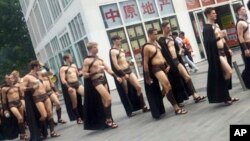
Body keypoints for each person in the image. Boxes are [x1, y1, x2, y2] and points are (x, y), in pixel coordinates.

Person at [142, 28, 188, 119]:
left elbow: (161, 55)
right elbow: (145, 63)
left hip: (163, 67)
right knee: (167, 86)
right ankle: (176, 108)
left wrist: (167, 65)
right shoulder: (147, 47)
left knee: (166, 88)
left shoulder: (157, 43)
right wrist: (147, 77)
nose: (156, 36)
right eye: (154, 34)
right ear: (150, 35)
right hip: (156, 68)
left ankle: (157, 102)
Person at [158, 22, 206, 104]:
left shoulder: (172, 38)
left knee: (187, 77)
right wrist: (167, 65)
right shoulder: (161, 41)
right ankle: (161, 101)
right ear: (163, 28)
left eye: (170, 27)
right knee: (172, 83)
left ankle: (195, 95)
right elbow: (162, 54)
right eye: (168, 27)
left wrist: (180, 51)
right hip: (170, 63)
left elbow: (179, 49)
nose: (170, 29)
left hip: (177, 61)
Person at [203, 7, 238, 104]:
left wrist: (228, 48)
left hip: (223, 52)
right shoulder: (207, 28)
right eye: (213, 13)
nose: (216, 14)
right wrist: (220, 36)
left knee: (225, 74)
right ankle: (223, 94)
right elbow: (208, 43)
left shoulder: (216, 25)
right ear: (209, 15)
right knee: (229, 72)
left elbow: (223, 40)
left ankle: (226, 96)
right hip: (217, 53)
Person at [109, 35, 149, 117]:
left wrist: (129, 63)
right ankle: (129, 110)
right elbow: (115, 64)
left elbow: (123, 60)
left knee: (138, 87)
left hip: (128, 70)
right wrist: (123, 74)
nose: (120, 40)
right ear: (114, 41)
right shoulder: (113, 51)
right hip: (122, 72)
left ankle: (143, 106)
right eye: (118, 39)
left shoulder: (122, 49)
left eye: (120, 38)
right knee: (125, 92)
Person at [82, 42, 120, 129]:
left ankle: (107, 120)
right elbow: (84, 74)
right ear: (90, 49)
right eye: (95, 47)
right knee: (109, 99)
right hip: (96, 81)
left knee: (105, 102)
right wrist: (96, 71)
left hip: (103, 80)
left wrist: (116, 77)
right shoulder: (87, 60)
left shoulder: (99, 59)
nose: (97, 49)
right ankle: (109, 120)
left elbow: (107, 69)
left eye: (97, 47)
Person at [22, 60, 60, 139]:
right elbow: (22, 88)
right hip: (37, 97)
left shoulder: (39, 74)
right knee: (44, 115)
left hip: (45, 95)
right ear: (35, 67)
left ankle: (52, 132)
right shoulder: (27, 77)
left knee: (50, 113)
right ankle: (41, 130)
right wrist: (32, 87)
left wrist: (45, 66)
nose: (40, 67)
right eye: (39, 66)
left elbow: (51, 73)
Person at [1, 74, 29, 140]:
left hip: (19, 103)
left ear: (13, 79)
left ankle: (22, 134)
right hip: (12, 105)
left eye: (11, 78)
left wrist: (23, 101)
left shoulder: (17, 85)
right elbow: (4, 100)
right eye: (9, 78)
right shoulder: (4, 89)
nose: (10, 79)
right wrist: (5, 110)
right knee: (19, 118)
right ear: (6, 80)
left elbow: (21, 95)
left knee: (21, 119)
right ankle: (24, 134)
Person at [59, 53, 84, 124]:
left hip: (77, 83)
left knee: (87, 95)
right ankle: (78, 118)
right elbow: (63, 79)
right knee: (74, 102)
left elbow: (78, 75)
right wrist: (68, 87)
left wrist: (82, 72)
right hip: (70, 85)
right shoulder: (63, 68)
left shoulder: (74, 65)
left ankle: (85, 112)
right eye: (71, 57)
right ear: (67, 59)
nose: (72, 58)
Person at [236, 5, 250, 89]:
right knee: (248, 65)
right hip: (247, 45)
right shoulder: (240, 23)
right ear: (238, 12)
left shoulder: (245, 21)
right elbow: (240, 36)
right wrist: (245, 49)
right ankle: (245, 79)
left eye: (245, 9)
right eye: (243, 9)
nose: (245, 10)